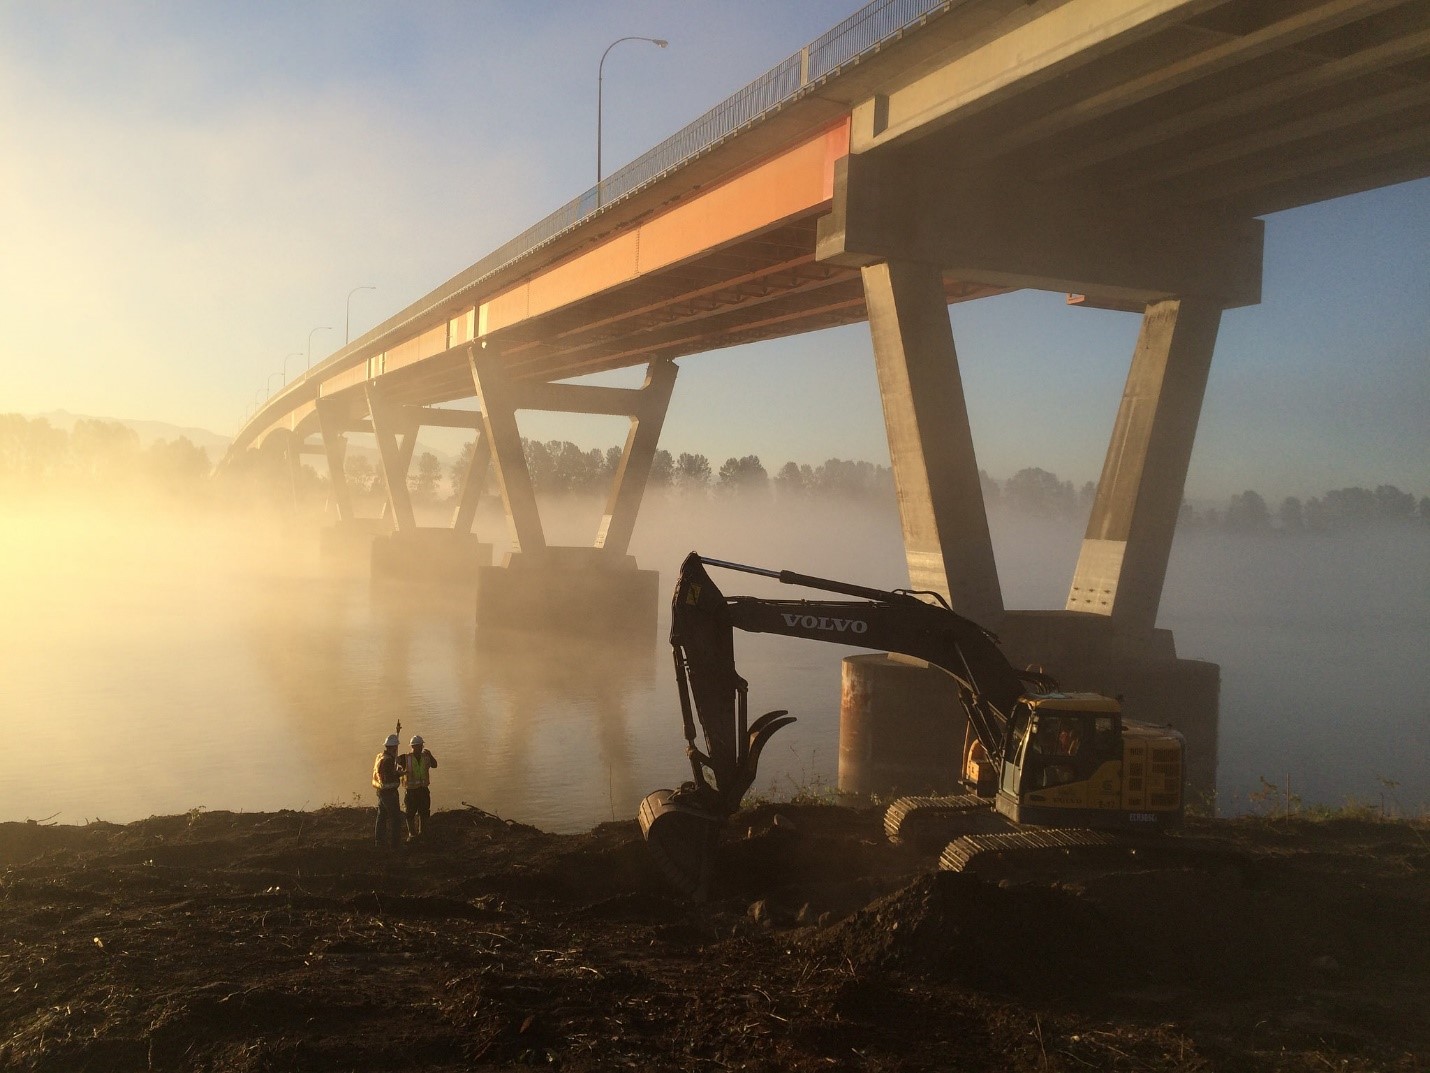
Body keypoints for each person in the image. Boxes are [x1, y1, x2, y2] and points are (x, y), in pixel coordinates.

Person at [399, 734, 437, 841]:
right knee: (410, 813)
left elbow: (434, 765)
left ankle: (423, 832)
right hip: (411, 791)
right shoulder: (405, 758)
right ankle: (412, 834)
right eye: (418, 746)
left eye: (421, 746)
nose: (420, 748)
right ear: (413, 746)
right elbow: (395, 765)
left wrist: (430, 755)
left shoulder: (425, 756)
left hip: (423, 789)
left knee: (424, 811)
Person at [371, 733, 403, 849]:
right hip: (389, 793)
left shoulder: (380, 756)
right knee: (395, 818)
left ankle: (379, 842)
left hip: (381, 791)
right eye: (396, 747)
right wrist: (400, 774)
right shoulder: (388, 760)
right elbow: (389, 778)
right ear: (393, 747)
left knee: (381, 817)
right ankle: (395, 844)